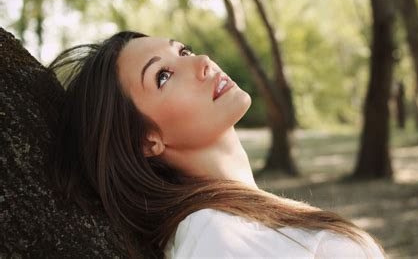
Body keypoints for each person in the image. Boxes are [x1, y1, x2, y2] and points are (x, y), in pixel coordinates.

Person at [49, 31, 385, 258]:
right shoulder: (212, 234)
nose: (202, 61)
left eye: (183, 51)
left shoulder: (236, 219)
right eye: (162, 75)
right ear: (146, 140)